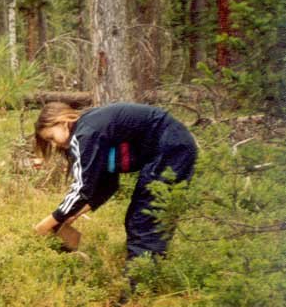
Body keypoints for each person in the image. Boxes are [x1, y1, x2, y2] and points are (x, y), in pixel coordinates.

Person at [32, 102, 198, 262]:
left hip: (171, 147)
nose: (54, 145)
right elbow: (107, 185)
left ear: (62, 122)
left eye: (51, 138)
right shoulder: (91, 129)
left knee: (144, 219)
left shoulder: (86, 134)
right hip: (174, 144)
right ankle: (148, 271)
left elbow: (82, 189)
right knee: (143, 218)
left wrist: (46, 224)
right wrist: (73, 215)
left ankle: (140, 285)